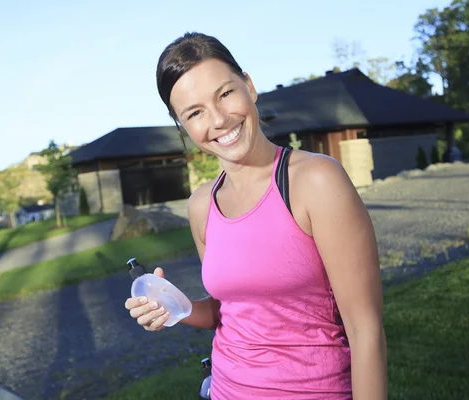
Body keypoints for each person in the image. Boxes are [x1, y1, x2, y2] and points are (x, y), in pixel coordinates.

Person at [125, 32, 387, 399]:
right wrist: (174, 307)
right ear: (182, 125)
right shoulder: (201, 205)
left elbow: (366, 329)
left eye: (225, 94)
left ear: (249, 85)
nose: (218, 119)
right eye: (195, 112)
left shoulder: (315, 181)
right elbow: (226, 311)